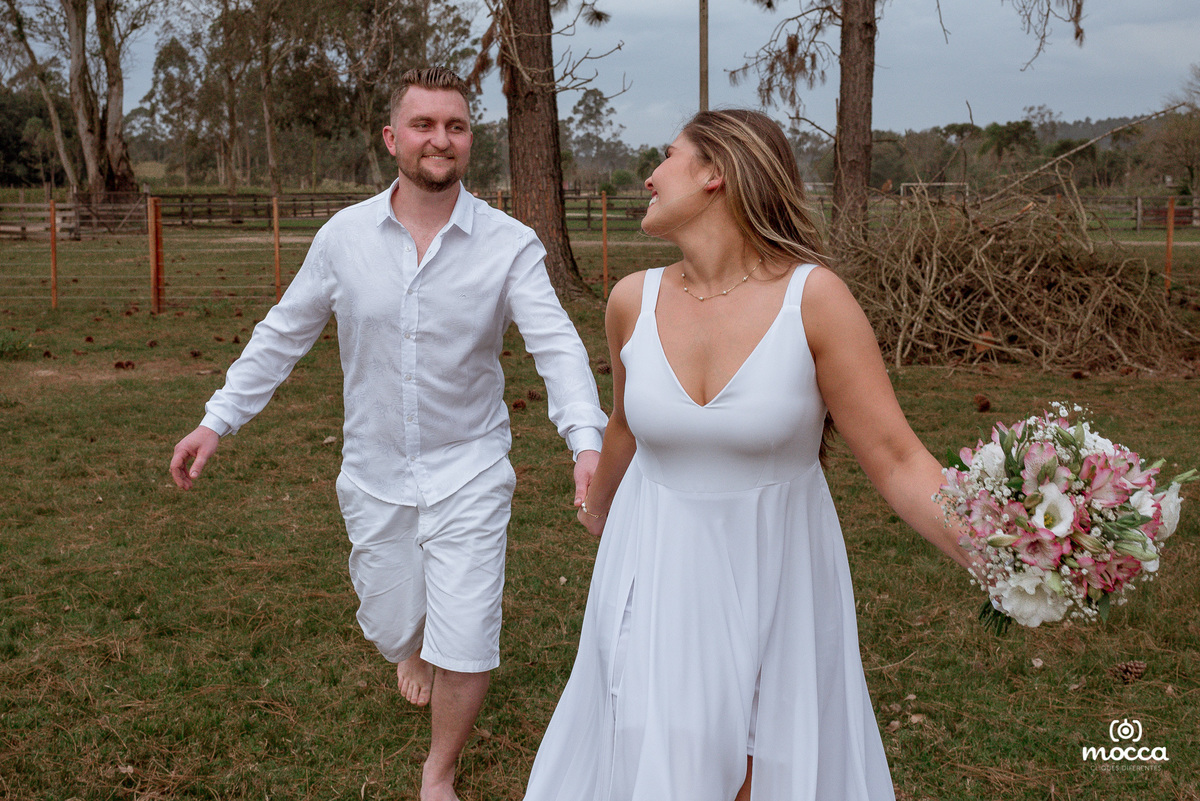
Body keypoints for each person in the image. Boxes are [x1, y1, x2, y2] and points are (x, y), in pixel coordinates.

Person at [169, 67, 607, 801]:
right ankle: (410, 646)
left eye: (456, 126)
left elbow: (558, 346)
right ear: (391, 138)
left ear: (469, 139)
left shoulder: (510, 244)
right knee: (390, 621)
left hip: (470, 469)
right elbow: (284, 332)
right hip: (375, 474)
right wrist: (218, 420)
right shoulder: (343, 238)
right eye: (424, 124)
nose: (441, 139)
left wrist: (585, 441)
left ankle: (439, 772)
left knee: (467, 633)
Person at [522, 109, 977, 801]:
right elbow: (625, 426)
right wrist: (596, 506)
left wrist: (1000, 548)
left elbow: (896, 458)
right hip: (654, 567)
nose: (649, 176)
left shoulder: (813, 299)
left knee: (761, 772)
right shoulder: (630, 300)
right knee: (659, 755)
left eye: (667, 156)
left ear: (716, 173)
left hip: (778, 573)